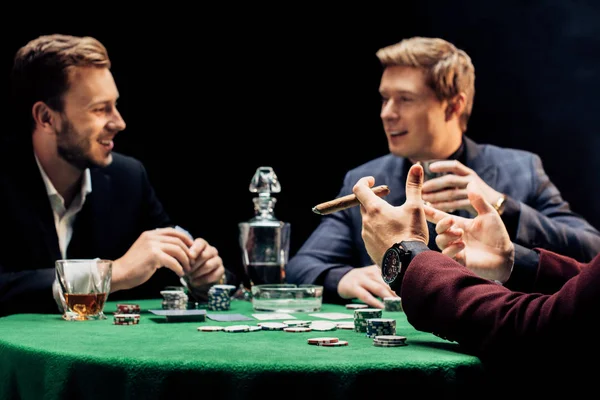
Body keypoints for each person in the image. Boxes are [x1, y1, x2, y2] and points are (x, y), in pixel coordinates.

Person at [285, 36, 600, 308]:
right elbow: (302, 265)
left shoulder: (520, 169)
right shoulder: (367, 179)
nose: (387, 113)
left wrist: (504, 206)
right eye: (384, 98)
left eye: (405, 99)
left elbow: (591, 250)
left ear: (453, 106)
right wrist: (343, 277)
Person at [0, 34, 226, 317]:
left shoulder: (127, 177)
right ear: (46, 118)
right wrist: (110, 274)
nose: (119, 122)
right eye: (99, 109)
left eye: (115, 105)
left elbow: (168, 266)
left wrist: (200, 276)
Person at [353, 164, 600, 396]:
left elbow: (543, 335)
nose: (388, 115)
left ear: (453, 114)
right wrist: (515, 263)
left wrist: (407, 258)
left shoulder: (522, 167)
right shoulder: (367, 170)